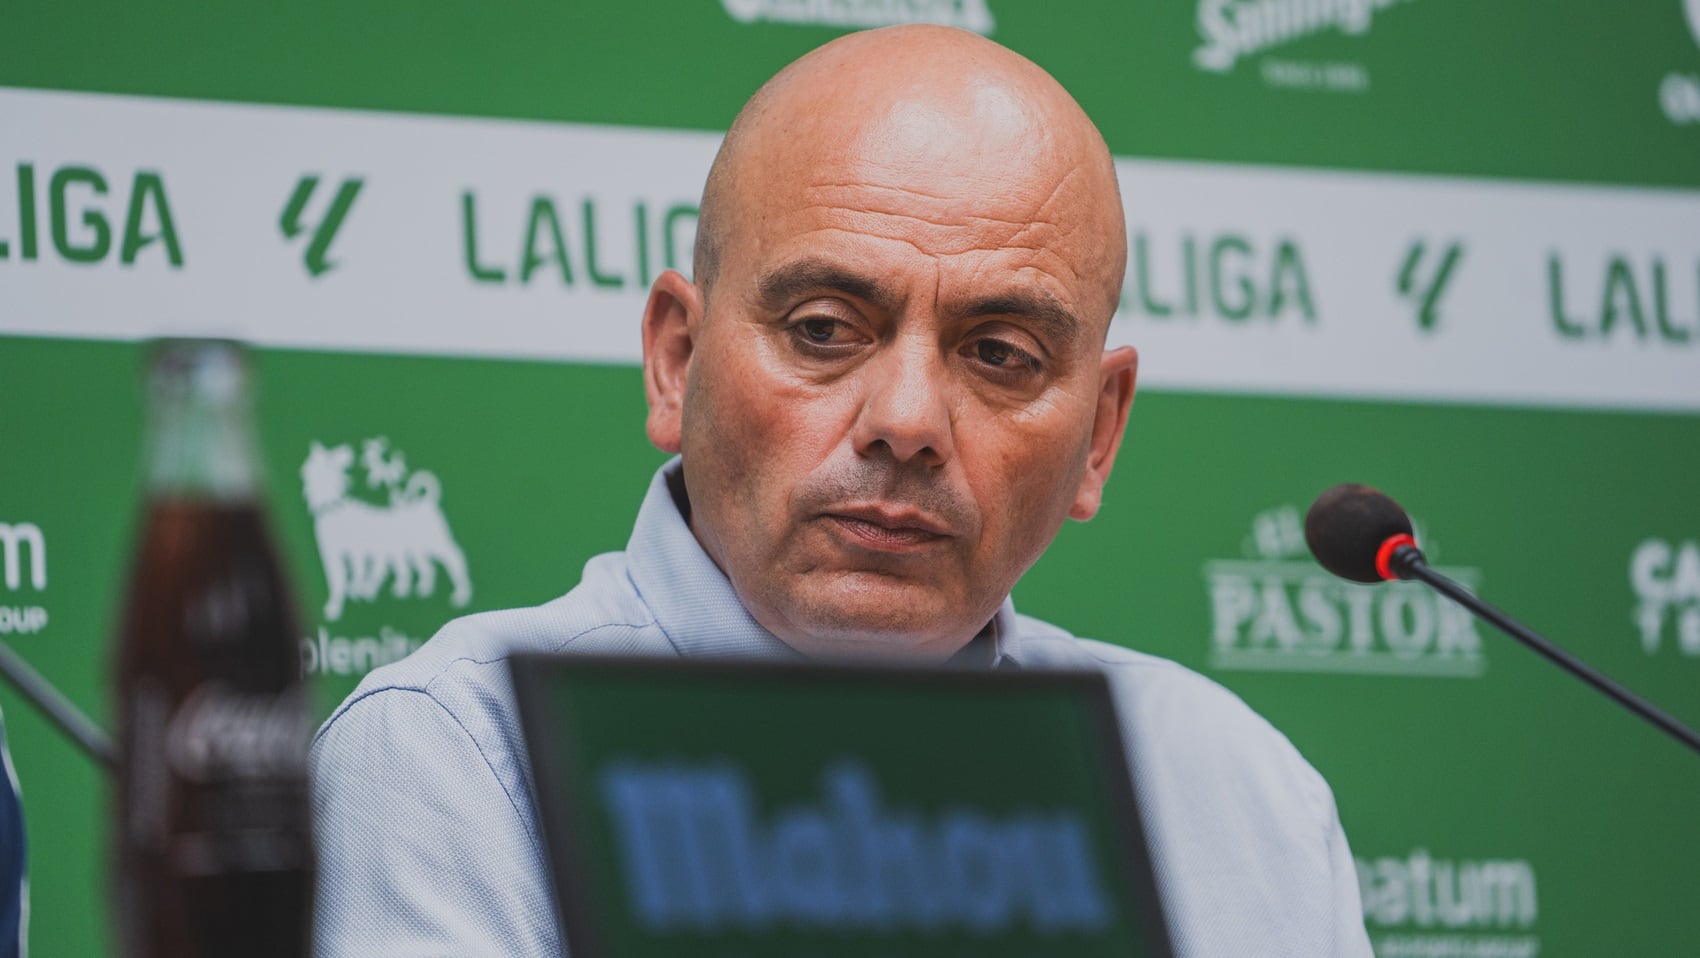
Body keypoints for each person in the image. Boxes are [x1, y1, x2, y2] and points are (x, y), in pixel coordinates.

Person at [311, 24, 1372, 957]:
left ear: (1096, 435)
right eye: (822, 330)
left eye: (998, 353)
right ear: (676, 362)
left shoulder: (1237, 793)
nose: (905, 421)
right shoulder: (460, 752)